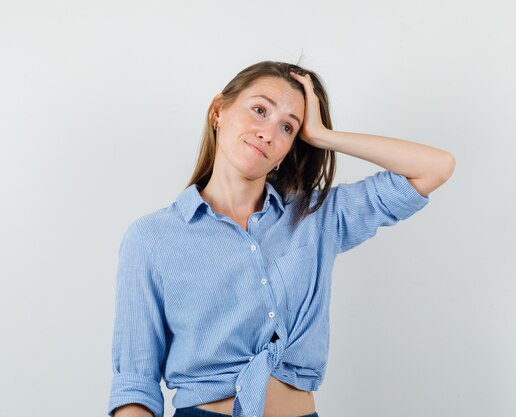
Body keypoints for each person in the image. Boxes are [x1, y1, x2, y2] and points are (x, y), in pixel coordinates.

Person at [107, 60, 455, 417]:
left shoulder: (317, 217)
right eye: (259, 110)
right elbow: (135, 381)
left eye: (288, 127)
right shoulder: (152, 238)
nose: (268, 133)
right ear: (218, 111)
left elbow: (435, 167)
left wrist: (323, 136)